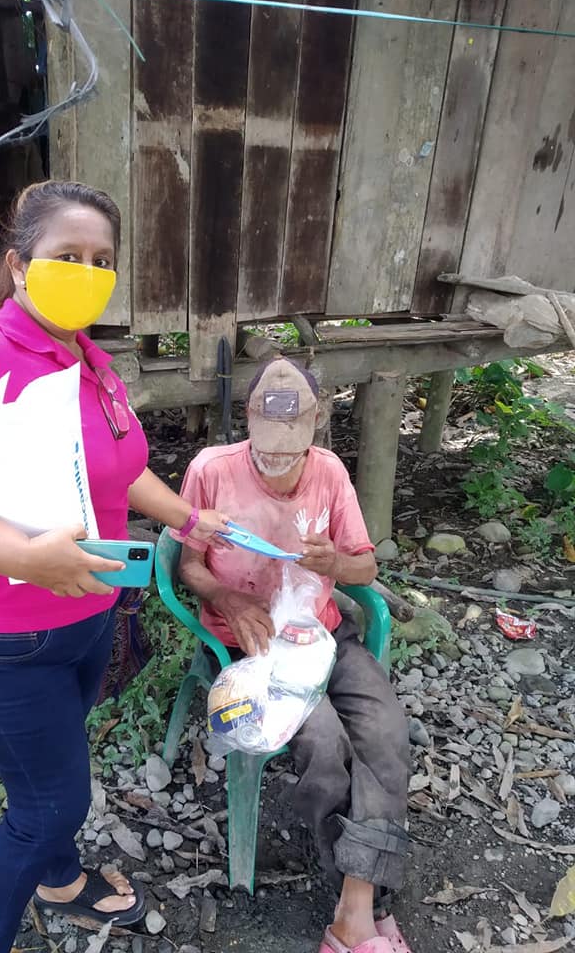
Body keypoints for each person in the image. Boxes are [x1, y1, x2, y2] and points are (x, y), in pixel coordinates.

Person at [0, 180, 229, 953]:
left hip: (85, 615)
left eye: (101, 260)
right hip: (4, 638)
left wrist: (190, 518)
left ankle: (60, 883)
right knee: (48, 806)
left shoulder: (87, 359)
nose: (87, 272)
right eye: (67, 255)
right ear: (19, 265)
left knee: (50, 768)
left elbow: (122, 467)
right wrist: (22, 556)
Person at [177, 358, 412, 953]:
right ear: (247, 420)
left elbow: (365, 567)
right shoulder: (212, 470)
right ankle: (365, 906)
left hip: (323, 634)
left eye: (290, 449)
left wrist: (335, 563)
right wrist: (229, 599)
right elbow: (189, 566)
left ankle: (355, 909)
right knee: (325, 744)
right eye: (265, 448)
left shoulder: (329, 472)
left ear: (315, 425)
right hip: (250, 645)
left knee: (385, 732)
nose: (276, 460)